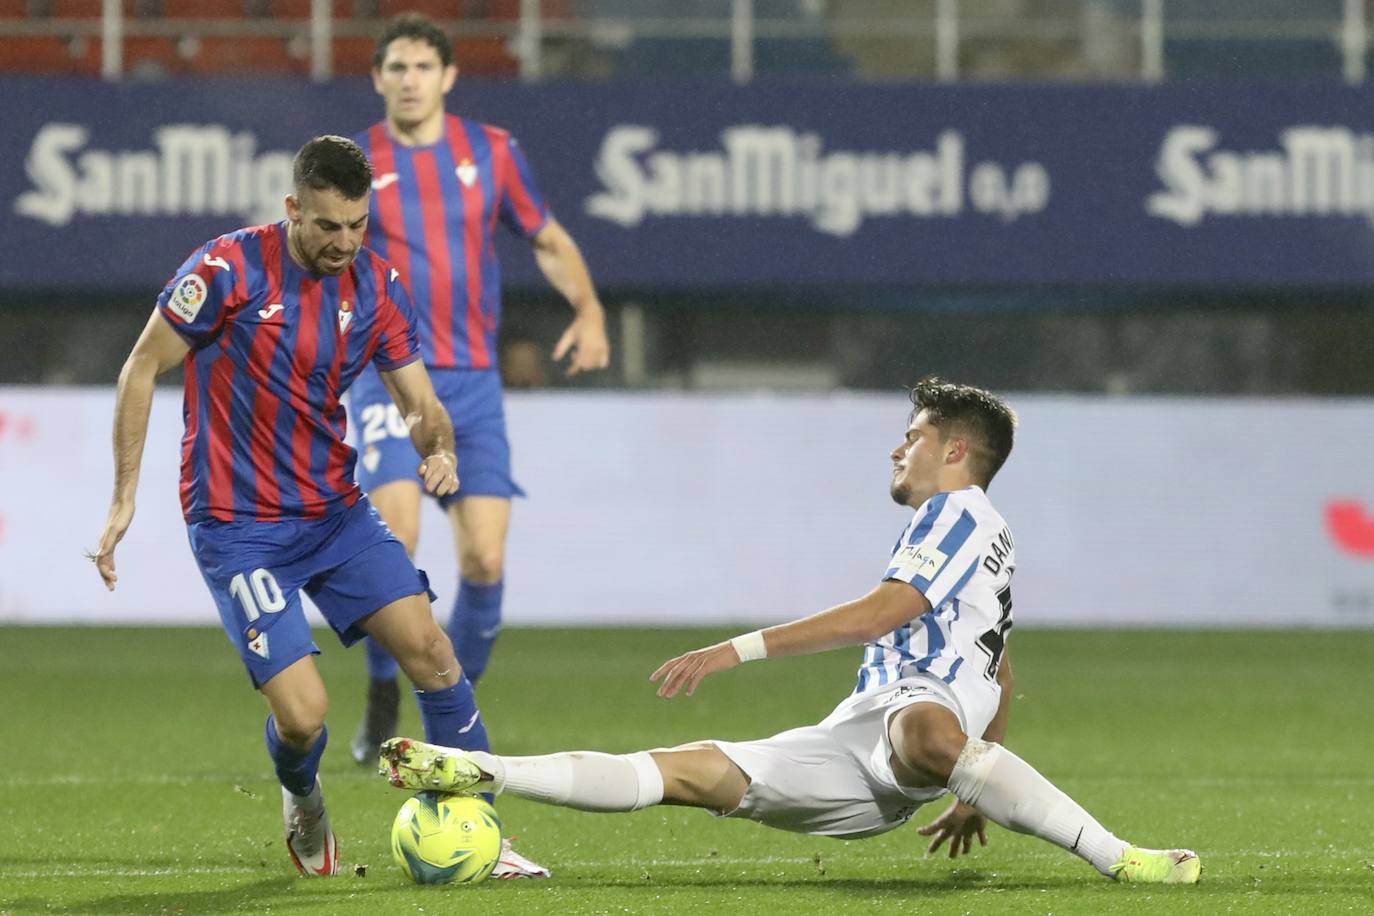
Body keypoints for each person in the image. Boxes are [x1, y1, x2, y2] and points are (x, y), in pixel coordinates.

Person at [376, 379, 1202, 885]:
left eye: (911, 435)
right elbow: (1004, 670)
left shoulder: (959, 513)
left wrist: (736, 648)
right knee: (686, 771)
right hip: (860, 741)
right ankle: (479, 769)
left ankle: (1119, 856)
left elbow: (883, 613)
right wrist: (972, 781)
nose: (897, 448)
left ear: (954, 448)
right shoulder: (970, 535)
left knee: (920, 723)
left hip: (907, 721)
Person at [89, 135, 497, 879]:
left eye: (358, 226)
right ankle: (301, 790)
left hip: (334, 513)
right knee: (305, 717)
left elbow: (421, 403)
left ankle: (480, 830)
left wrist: (438, 447)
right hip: (238, 529)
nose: (345, 242)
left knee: (436, 655)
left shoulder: (376, 285)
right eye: (328, 226)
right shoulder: (227, 269)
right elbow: (143, 365)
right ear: (293, 210)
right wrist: (124, 497)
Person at [345, 12, 611, 797]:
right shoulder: (359, 162)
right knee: (396, 533)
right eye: (396, 66)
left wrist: (590, 310)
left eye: (423, 66)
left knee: (484, 560)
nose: (409, 79)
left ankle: (449, 712)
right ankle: (385, 687)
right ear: (379, 78)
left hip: (472, 380)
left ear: (448, 76)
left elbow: (547, 238)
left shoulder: (490, 152)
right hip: (388, 373)